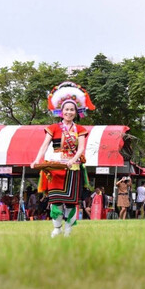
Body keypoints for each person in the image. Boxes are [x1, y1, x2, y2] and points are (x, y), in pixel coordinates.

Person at [31, 81, 94, 237]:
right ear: (61, 111)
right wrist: (37, 160)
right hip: (56, 167)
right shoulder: (53, 128)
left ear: (76, 111)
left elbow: (81, 149)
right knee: (56, 200)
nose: (69, 112)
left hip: (73, 167)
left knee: (71, 201)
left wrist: (74, 160)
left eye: (72, 109)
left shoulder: (80, 129)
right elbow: (44, 146)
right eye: (66, 109)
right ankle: (57, 227)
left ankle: (68, 228)